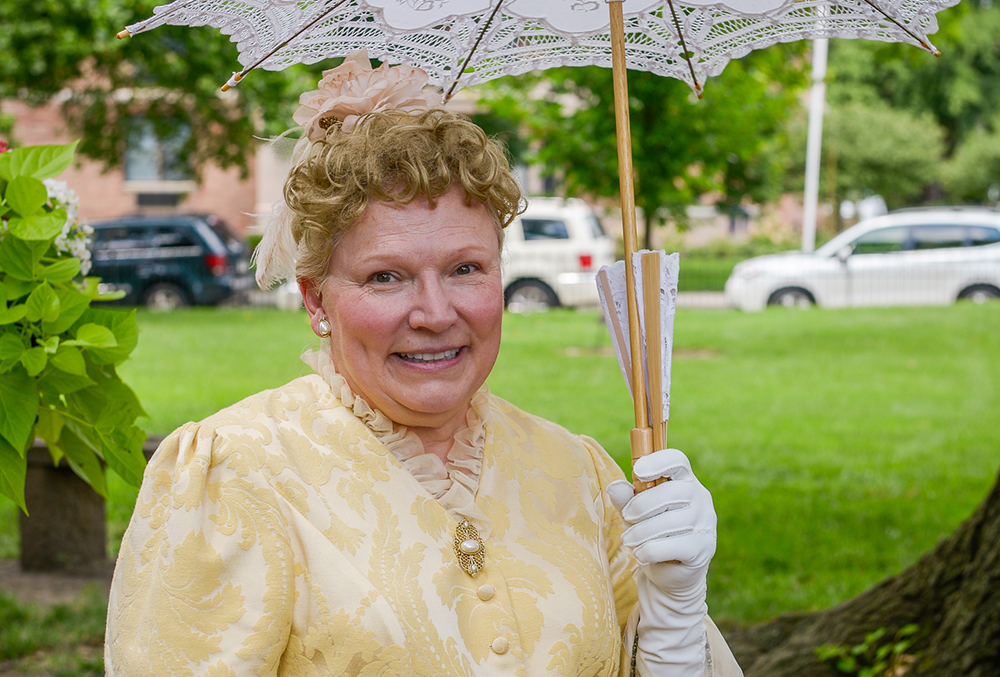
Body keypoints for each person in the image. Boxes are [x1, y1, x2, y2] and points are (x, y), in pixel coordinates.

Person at [105, 52, 742, 677]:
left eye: (466, 269)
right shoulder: (234, 476)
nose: (435, 313)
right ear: (315, 298)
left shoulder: (577, 471)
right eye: (387, 277)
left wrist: (676, 610)